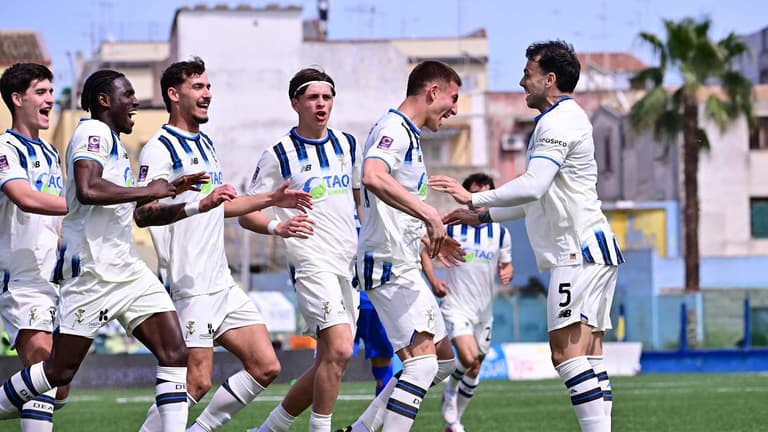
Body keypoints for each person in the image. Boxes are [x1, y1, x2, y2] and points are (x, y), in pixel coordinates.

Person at [430, 40, 623, 432]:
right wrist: (481, 215)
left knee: (566, 356)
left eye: (528, 74)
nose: (521, 82)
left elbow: (533, 187)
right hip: (594, 249)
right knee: (590, 357)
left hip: (577, 253)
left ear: (549, 80)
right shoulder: (562, 119)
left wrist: (473, 195)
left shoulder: (558, 122)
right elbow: (540, 197)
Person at [0, 69, 205, 432]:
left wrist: (172, 193)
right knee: (54, 374)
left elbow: (99, 206)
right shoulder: (89, 132)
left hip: (121, 267)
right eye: (127, 94)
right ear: (104, 101)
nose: (136, 101)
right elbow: (86, 190)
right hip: (75, 274)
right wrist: (150, 190)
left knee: (174, 352)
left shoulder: (65, 148)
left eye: (52, 91)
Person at [133, 58, 312, 432]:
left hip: (221, 281)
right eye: (198, 87)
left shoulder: (206, 143)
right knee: (196, 381)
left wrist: (270, 200)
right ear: (173, 94)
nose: (207, 94)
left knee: (266, 365)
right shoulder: (159, 149)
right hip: (190, 283)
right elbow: (144, 213)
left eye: (208, 87)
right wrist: (201, 202)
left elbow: (222, 206)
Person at [338, 60, 465, 432]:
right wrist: (429, 212)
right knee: (423, 365)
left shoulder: (405, 132)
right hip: (388, 263)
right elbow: (372, 176)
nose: (454, 109)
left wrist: (426, 237)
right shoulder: (395, 129)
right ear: (433, 92)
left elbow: (384, 202)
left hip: (400, 258)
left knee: (441, 362)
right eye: (453, 98)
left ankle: (361, 430)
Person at [239, 67, 360, 432]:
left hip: (347, 264)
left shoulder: (349, 145)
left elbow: (360, 201)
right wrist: (279, 225)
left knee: (331, 360)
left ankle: (267, 430)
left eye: (326, 97)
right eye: (312, 97)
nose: (321, 104)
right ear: (296, 103)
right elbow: (247, 212)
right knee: (339, 349)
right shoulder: (279, 154)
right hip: (310, 262)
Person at [0, 62, 70, 432]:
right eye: (41, 92)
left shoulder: (49, 153)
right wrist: (85, 201)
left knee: (58, 386)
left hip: (53, 281)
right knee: (43, 375)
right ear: (17, 98)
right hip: (21, 280)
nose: (50, 100)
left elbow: (55, 220)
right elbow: (24, 197)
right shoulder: (4, 148)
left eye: (50, 92)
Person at [420, 173, 513, 432]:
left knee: (475, 367)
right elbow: (424, 250)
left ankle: (455, 421)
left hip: (484, 311)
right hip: (455, 305)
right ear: (467, 197)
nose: (480, 202)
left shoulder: (501, 232)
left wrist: (508, 271)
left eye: (486, 194)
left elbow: (506, 264)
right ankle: (450, 393)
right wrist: (433, 280)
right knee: (469, 357)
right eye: (476, 195)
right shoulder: (451, 227)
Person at [354, 291, 394, 396]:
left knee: (332, 361)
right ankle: (383, 410)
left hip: (347, 298)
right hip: (371, 298)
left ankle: (382, 409)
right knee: (333, 361)